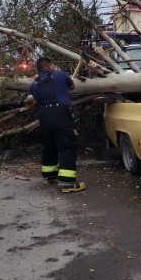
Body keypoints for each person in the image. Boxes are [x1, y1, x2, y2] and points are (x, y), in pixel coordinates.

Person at [29, 57, 86, 193]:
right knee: (67, 145)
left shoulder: (33, 84)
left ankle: (49, 176)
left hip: (44, 117)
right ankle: (68, 182)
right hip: (60, 114)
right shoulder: (59, 74)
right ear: (49, 66)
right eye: (53, 65)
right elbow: (72, 87)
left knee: (49, 145)